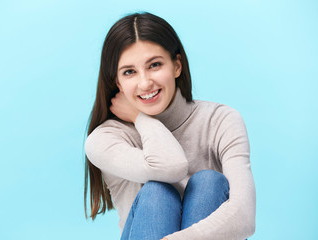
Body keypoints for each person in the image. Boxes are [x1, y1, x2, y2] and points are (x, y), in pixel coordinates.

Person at [84, 12, 256, 240]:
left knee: (209, 182)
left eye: (154, 65)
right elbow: (171, 167)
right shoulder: (105, 139)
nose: (145, 82)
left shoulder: (221, 120)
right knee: (158, 192)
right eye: (129, 72)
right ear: (118, 82)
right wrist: (141, 119)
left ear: (177, 66)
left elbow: (244, 216)